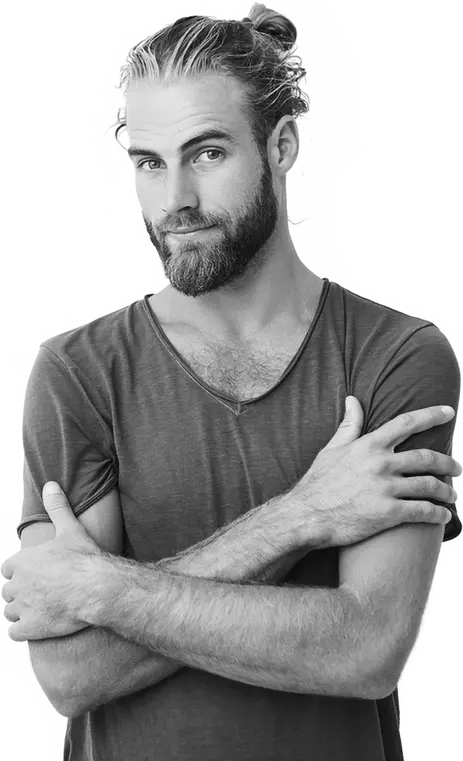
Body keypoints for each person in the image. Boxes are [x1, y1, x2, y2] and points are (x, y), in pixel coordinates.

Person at [4, 4, 461, 760]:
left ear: (281, 146)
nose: (173, 201)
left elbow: (364, 649)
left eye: (207, 153)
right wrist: (301, 517)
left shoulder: (394, 355)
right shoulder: (78, 372)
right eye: (149, 162)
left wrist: (105, 589)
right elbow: (73, 674)